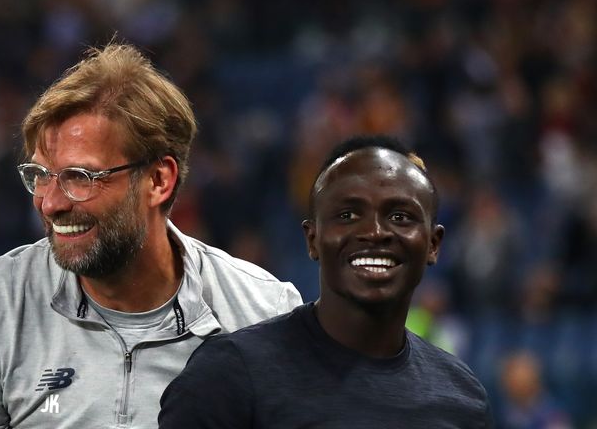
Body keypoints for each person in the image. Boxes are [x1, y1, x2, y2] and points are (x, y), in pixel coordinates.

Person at [0, 42, 302, 429]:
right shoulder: (1, 298)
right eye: (39, 176)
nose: (50, 204)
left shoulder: (264, 313)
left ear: (158, 180)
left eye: (79, 177)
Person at [159, 135, 493, 428]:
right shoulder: (229, 377)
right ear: (312, 239)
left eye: (399, 216)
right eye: (347, 215)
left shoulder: (461, 397)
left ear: (433, 244)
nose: (374, 232)